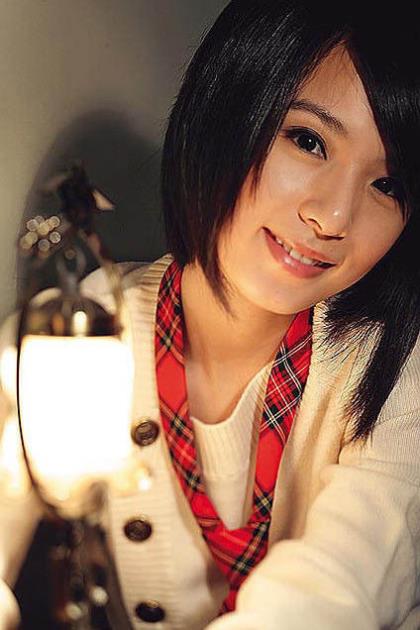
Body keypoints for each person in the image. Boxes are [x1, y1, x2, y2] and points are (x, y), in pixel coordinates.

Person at [1, 0, 420, 628]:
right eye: (308, 141)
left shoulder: (397, 366)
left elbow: (336, 591)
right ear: (227, 108)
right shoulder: (77, 336)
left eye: (388, 185)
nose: (332, 217)